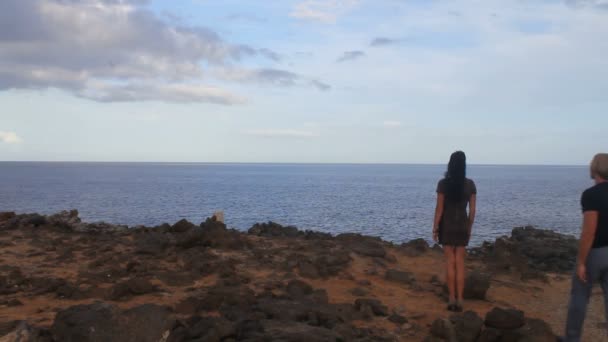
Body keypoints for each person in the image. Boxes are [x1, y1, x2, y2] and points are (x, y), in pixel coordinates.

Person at [563, 153, 608, 341]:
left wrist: (581, 261)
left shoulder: (591, 195)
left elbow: (589, 232)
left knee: (580, 296)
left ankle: (572, 338)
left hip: (596, 253)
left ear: (594, 169)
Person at [433, 151, 477, 312]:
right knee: (460, 263)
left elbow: (439, 209)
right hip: (462, 226)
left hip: (447, 225)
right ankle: (461, 299)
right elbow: (472, 211)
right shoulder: (470, 184)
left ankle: (451, 298)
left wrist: (435, 227)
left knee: (450, 263)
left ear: (450, 164)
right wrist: (469, 227)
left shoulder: (443, 184)